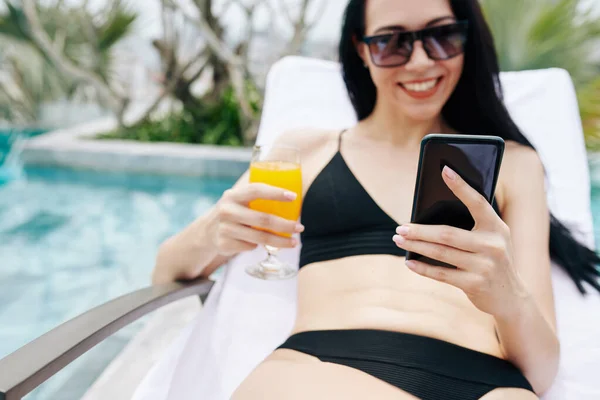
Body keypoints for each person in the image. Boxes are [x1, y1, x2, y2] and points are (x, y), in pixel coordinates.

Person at [152, 0, 600, 398]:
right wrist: (213, 231)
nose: (421, 61)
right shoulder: (305, 152)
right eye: (391, 43)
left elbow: (541, 370)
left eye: (442, 36)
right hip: (323, 368)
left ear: (468, 37)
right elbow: (166, 273)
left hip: (485, 379)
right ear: (362, 49)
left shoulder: (515, 164)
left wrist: (506, 292)